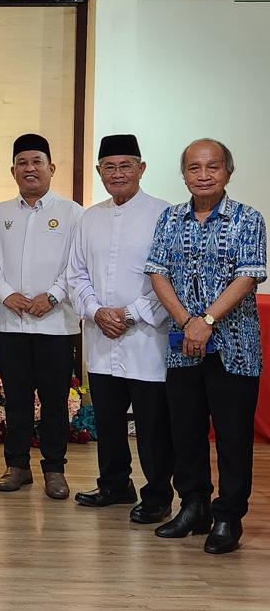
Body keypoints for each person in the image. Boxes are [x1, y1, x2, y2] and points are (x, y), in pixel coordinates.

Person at [146, 138, 266, 555]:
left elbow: (248, 276)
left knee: (233, 437)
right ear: (183, 174)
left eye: (212, 167)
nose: (203, 175)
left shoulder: (248, 218)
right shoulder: (170, 218)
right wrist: (187, 323)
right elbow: (157, 272)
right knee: (186, 432)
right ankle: (193, 507)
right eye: (194, 168)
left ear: (227, 171)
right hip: (183, 346)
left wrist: (207, 321)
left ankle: (229, 516)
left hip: (235, 349)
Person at [68, 134, 174, 524]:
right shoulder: (89, 218)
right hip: (101, 335)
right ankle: (114, 484)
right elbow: (75, 274)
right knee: (108, 418)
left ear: (141, 168)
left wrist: (129, 314)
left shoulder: (165, 214)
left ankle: (158, 495)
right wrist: (96, 311)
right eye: (109, 167)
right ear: (99, 172)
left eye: (125, 165)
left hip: (147, 338)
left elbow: (170, 278)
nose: (117, 174)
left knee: (152, 423)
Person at [0, 133, 83, 499]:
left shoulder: (73, 213)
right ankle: (17, 466)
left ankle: (55, 470)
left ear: (51, 168)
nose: (29, 169)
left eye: (36, 162)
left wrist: (53, 295)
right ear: (13, 171)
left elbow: (78, 264)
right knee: (16, 400)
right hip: (11, 324)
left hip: (56, 326)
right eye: (22, 163)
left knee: (55, 402)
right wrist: (6, 293)